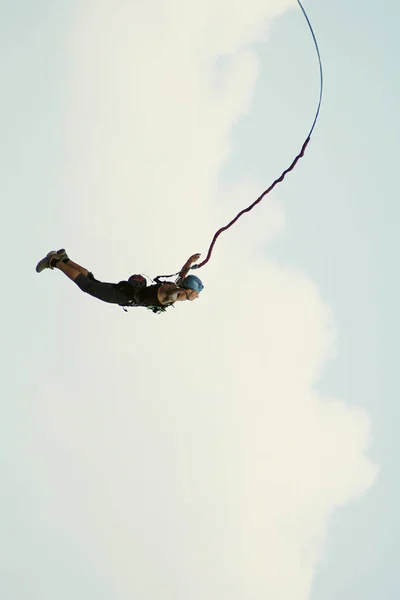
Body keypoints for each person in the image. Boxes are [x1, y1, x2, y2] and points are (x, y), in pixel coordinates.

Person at [35, 249, 204, 312]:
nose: (197, 297)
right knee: (87, 286)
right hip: (123, 296)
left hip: (128, 291)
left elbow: (182, 277)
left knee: (92, 281)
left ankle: (65, 259)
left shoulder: (175, 286)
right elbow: (177, 291)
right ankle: (54, 261)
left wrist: (189, 262)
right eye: (196, 293)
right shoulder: (174, 293)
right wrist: (182, 291)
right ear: (188, 290)